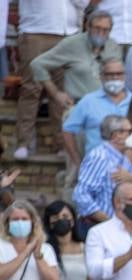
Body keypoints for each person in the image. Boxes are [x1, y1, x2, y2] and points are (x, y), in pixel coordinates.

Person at [12, 0, 85, 160]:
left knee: (62, 92)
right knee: (31, 89)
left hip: (67, 33)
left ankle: (61, 144)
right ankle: (23, 143)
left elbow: (83, 3)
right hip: (35, 31)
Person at [61, 57, 132, 172]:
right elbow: (67, 130)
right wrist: (78, 162)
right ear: (101, 76)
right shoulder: (89, 101)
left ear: (125, 75)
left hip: (128, 167)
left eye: (119, 73)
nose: (115, 77)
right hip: (96, 167)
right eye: (110, 74)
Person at [0, 201, 60, 280]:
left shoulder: (46, 249)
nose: (20, 222)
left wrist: (38, 256)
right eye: (15, 219)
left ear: (32, 222)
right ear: (7, 223)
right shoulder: (1, 246)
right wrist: (26, 252)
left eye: (24, 219)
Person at [73, 115, 132, 226]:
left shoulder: (123, 157)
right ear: (117, 134)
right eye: (129, 131)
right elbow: (81, 194)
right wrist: (108, 221)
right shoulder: (99, 156)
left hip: (120, 225)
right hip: (99, 225)